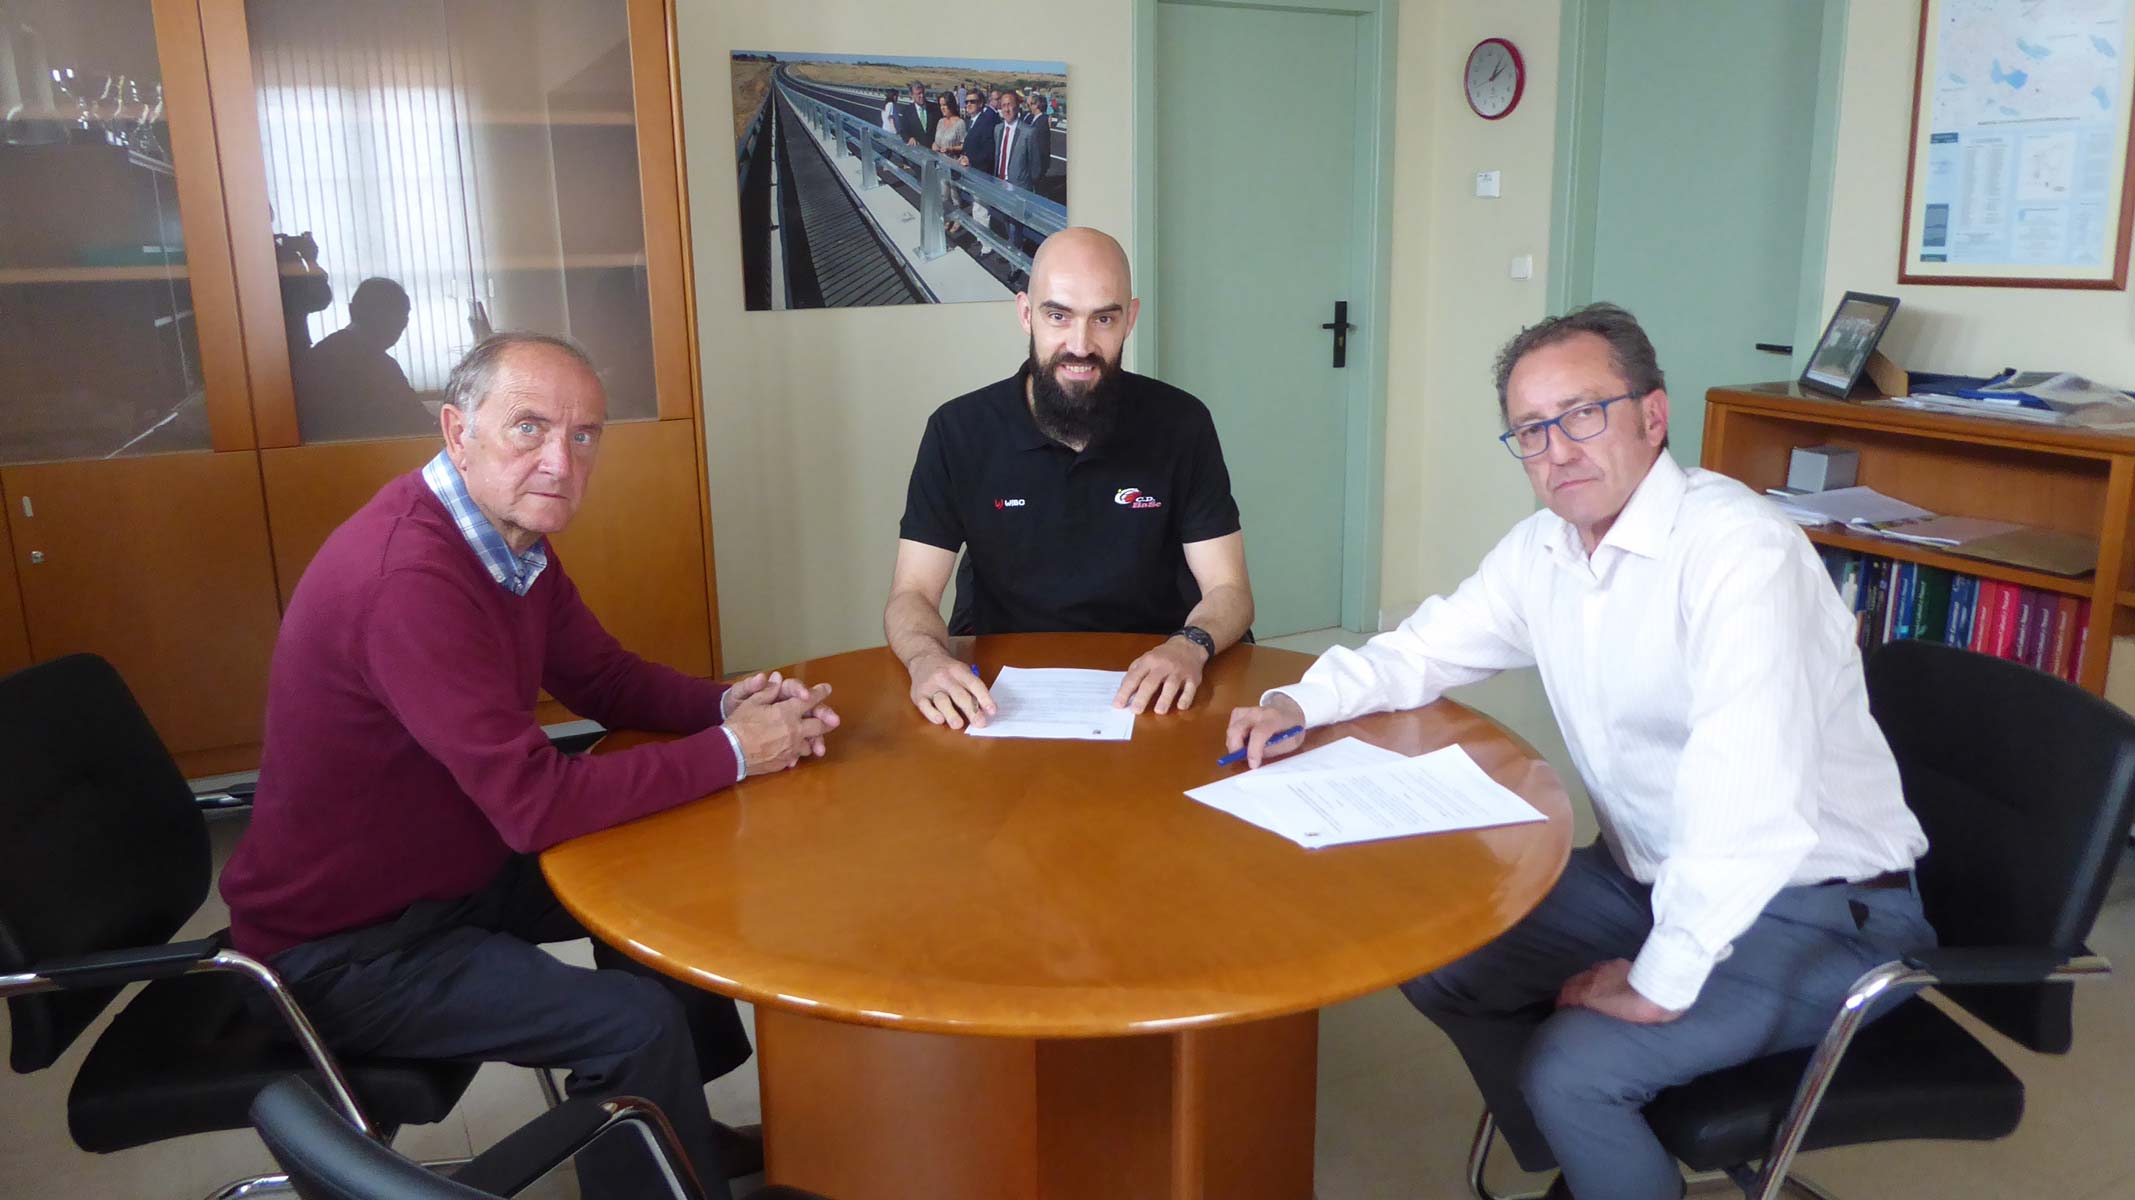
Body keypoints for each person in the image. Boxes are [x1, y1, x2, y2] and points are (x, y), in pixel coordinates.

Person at [1225, 304, 1933, 1200]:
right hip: (1644, 876)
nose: (1557, 449)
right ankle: (1603, 1161)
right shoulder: (1544, 552)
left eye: (1582, 413)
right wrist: (1298, 699)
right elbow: (1424, 649)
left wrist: (1657, 982)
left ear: (1652, 416)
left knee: (1574, 1068)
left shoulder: (1739, 556)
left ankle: (1593, 1116)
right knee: (1440, 952)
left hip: (1821, 912)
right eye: (1530, 429)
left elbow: (1748, 804)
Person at [221, 332, 841, 1200]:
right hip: (349, 946)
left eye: (584, 435)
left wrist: (724, 706)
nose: (559, 459)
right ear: (457, 430)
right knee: (632, 1025)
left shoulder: (502, 537)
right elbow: (535, 806)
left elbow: (604, 678)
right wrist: (738, 752)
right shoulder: (411, 577)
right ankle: (659, 1159)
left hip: (446, 869)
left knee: (657, 876)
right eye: (529, 427)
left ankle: (672, 1136)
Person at [886, 228, 1252, 729]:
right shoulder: (958, 431)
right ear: (1025, 314)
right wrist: (926, 659)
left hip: (1155, 673)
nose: (1080, 345)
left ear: (1131, 320)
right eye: (1058, 316)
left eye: (1103, 318)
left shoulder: (1182, 424)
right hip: (1004, 681)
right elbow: (912, 593)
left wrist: (1190, 645)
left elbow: (1230, 590)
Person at [293, 277, 429, 442]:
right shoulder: (379, 366)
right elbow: (419, 422)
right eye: (397, 315)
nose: (402, 323)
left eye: (404, 317)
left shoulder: (322, 352)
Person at [895, 80, 932, 147]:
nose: (922, 95)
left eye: (923, 92)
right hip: (917, 151)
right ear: (912, 95)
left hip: (934, 152)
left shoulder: (935, 108)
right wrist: (909, 138)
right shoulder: (906, 112)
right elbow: (903, 131)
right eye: (919, 93)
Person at [931, 91, 965, 156]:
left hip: (951, 162)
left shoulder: (960, 123)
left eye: (944, 105)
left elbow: (963, 146)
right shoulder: (940, 122)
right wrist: (934, 145)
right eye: (940, 105)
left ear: (951, 105)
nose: (942, 108)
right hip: (937, 160)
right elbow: (936, 141)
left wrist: (951, 149)